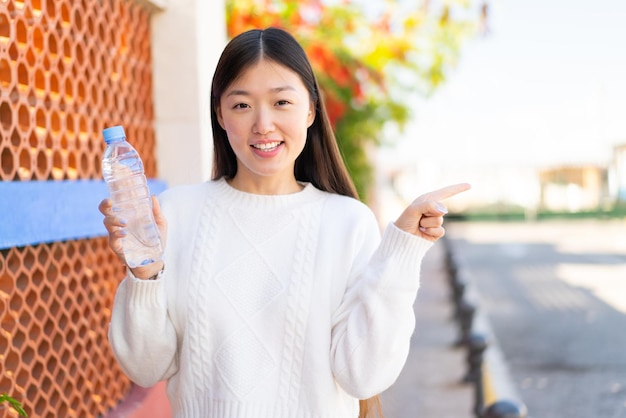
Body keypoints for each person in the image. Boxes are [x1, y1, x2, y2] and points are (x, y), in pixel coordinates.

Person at [99, 27, 470, 418]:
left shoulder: (346, 222)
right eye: (241, 105)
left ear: (310, 110)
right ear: (220, 114)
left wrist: (402, 252)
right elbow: (145, 368)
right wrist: (144, 272)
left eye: (281, 102)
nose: (263, 124)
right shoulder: (174, 214)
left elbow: (364, 375)